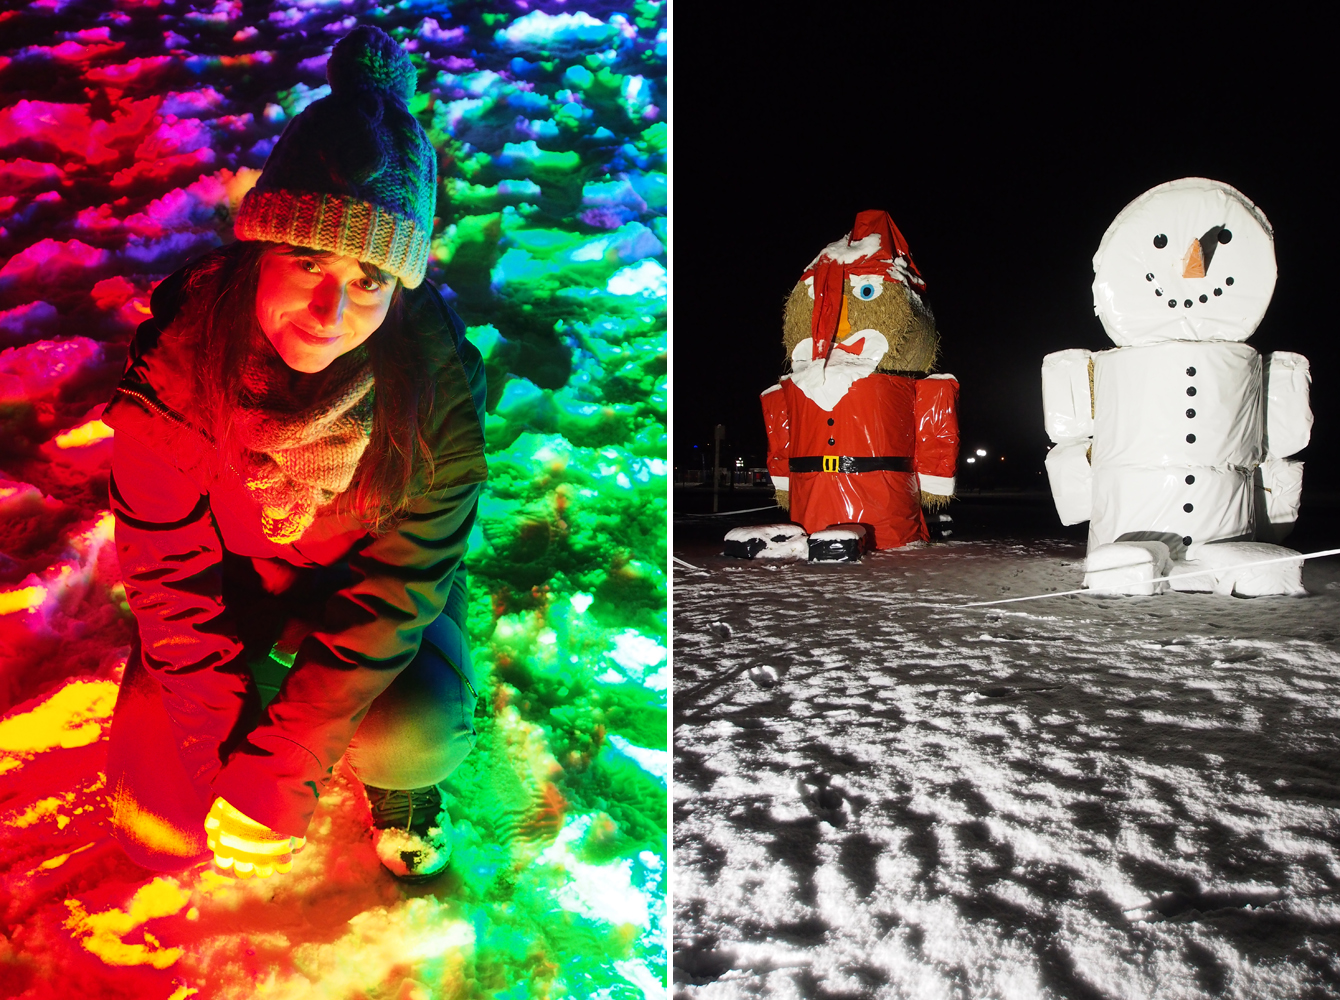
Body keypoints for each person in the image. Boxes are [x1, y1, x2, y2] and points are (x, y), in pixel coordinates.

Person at [101, 25, 487, 883]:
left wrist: (283, 768)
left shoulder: (436, 390)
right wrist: (223, 761)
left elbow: (396, 588)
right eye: (307, 259)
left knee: (412, 739)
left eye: (369, 280)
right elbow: (166, 572)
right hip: (232, 584)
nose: (329, 310)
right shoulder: (178, 366)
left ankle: (400, 783)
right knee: (161, 819)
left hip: (363, 590)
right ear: (258, 253)